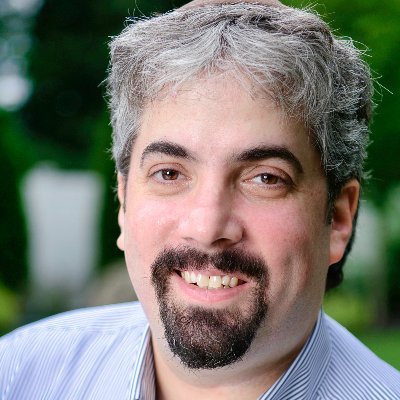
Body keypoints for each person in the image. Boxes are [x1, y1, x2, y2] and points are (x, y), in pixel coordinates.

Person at [1, 0, 399, 399]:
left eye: (265, 178)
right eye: (169, 173)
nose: (207, 227)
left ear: (339, 218)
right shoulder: (18, 374)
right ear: (123, 201)